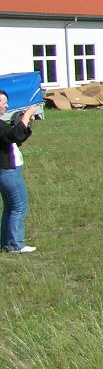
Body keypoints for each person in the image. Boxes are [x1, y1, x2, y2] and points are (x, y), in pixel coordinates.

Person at [0, 88, 38, 254]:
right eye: (3, 103)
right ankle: (15, 244)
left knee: (10, 208)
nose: (5, 106)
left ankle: (8, 243)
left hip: (8, 171)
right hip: (7, 172)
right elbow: (14, 135)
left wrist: (25, 124)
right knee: (19, 206)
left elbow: (17, 137)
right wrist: (26, 115)